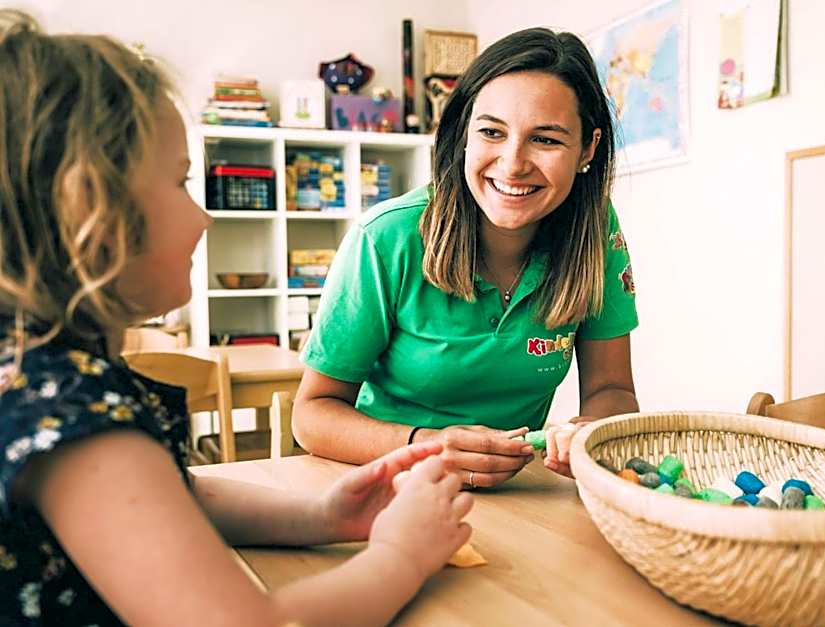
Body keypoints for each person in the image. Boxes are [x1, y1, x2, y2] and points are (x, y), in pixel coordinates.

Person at [0, 11, 471, 626]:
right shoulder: (69, 412)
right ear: (88, 206)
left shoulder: (37, 374)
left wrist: (324, 516)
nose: (206, 218)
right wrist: (401, 554)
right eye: (179, 182)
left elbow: (175, 496)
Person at [294, 27, 639, 488]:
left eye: (547, 140)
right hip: (385, 488)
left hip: (522, 495)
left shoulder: (597, 232)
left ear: (588, 149)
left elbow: (611, 390)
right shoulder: (387, 237)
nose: (513, 163)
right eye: (492, 132)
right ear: (463, 136)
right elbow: (311, 416)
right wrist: (427, 445)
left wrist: (589, 432)